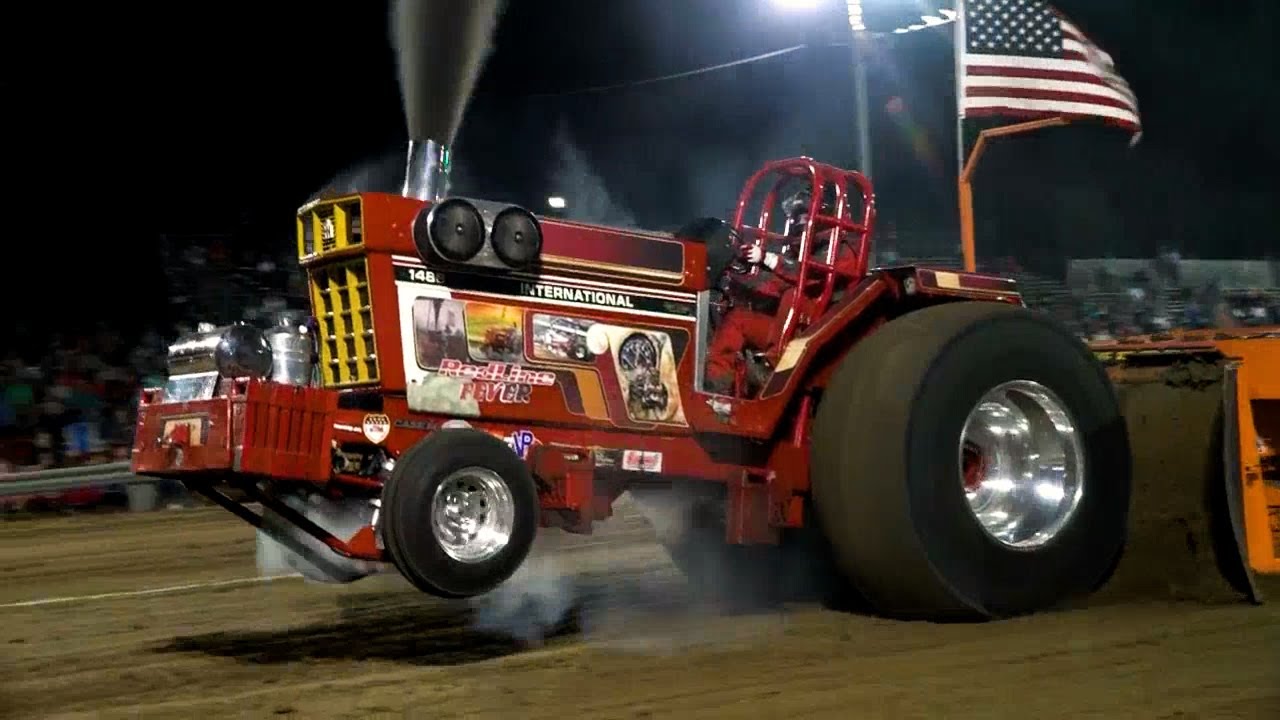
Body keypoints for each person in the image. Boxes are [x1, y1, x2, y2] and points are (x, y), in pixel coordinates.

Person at [705, 185, 859, 394]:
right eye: (796, 216)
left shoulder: (844, 249)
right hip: (788, 329)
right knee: (738, 319)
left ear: (825, 214)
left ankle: (773, 367)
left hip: (818, 329)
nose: (797, 222)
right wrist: (743, 284)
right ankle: (717, 388)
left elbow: (809, 276)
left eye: (803, 215)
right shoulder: (802, 250)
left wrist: (767, 258)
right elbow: (777, 283)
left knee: (793, 295)